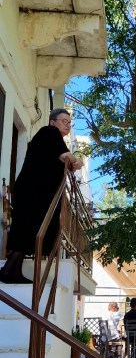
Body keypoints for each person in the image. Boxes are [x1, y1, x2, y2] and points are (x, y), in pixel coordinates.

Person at [0, 108, 83, 284]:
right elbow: (68, 158)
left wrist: (74, 162)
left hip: (36, 192)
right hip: (33, 190)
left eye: (70, 123)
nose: (68, 125)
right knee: (27, 228)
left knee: (30, 229)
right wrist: (76, 160)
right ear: (53, 122)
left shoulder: (53, 139)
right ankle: (8, 271)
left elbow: (71, 165)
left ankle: (13, 271)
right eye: (64, 121)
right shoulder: (49, 132)